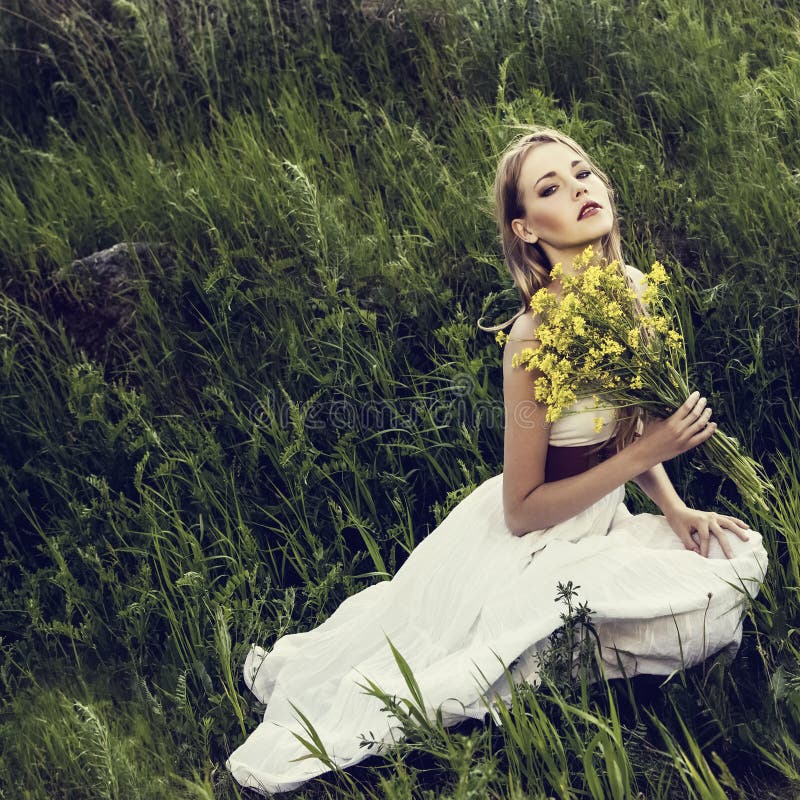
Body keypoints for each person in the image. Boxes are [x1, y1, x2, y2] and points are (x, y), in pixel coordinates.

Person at [226, 127, 769, 795]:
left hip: (600, 519)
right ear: (526, 229)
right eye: (550, 188)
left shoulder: (633, 290)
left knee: (727, 570)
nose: (577, 189)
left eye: (582, 174)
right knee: (469, 664)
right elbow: (520, 510)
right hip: (532, 540)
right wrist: (649, 454)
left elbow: (626, 433)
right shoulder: (532, 337)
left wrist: (676, 507)